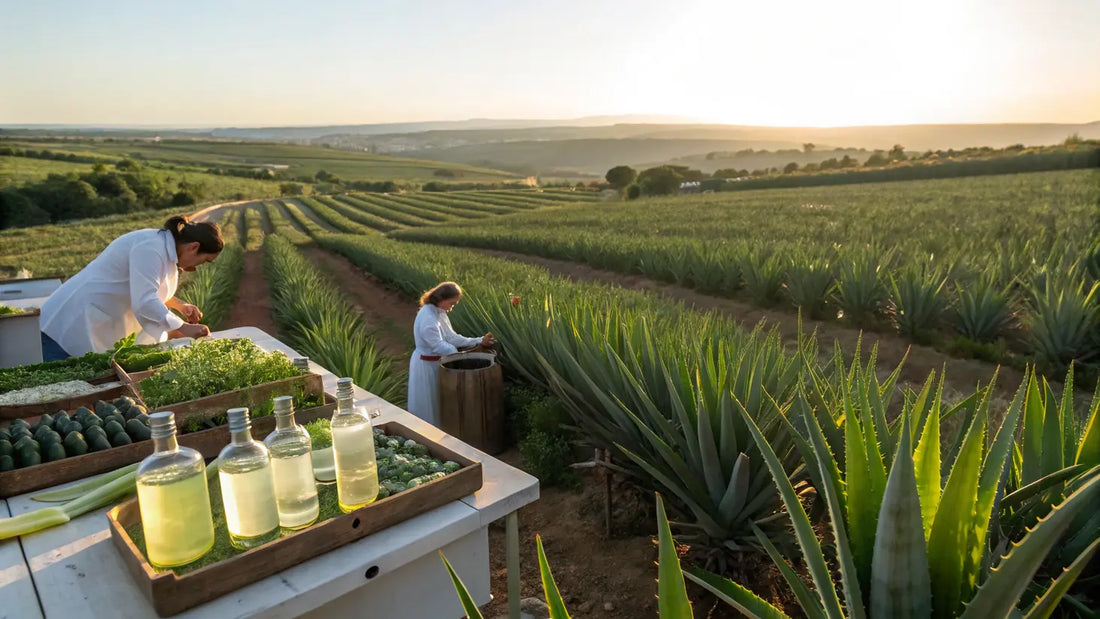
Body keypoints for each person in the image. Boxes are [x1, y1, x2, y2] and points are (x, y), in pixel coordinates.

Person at [38, 215, 223, 361]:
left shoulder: (165, 250)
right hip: (68, 325)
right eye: (205, 260)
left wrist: (181, 306)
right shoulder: (150, 247)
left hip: (94, 323)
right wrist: (182, 327)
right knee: (65, 396)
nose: (198, 267)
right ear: (194, 247)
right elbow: (145, 300)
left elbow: (147, 288)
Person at [407, 281, 495, 426]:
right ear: (441, 299)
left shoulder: (439, 312)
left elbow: (451, 337)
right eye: (452, 303)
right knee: (428, 405)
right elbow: (438, 345)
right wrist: (460, 355)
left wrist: (479, 341)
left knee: (439, 403)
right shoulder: (428, 318)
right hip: (426, 366)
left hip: (437, 364)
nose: (452, 307)